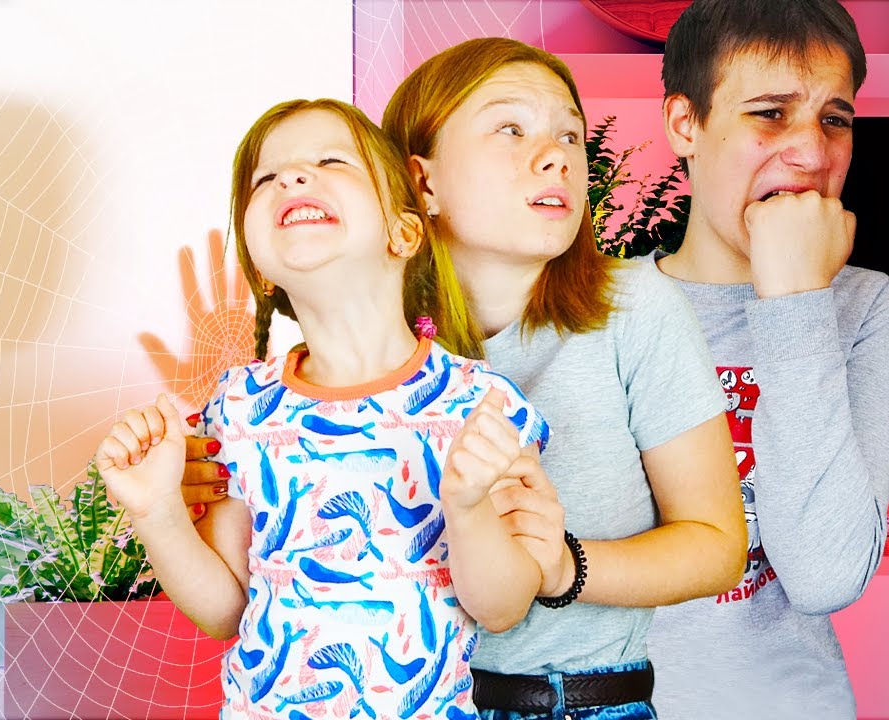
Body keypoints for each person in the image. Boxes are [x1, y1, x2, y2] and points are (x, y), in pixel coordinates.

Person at [185, 38, 748, 719]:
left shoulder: (635, 309)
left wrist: (563, 566)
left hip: (571, 703)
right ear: (421, 186)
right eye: (511, 128)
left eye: (570, 135)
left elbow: (718, 547)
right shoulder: (357, 337)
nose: (556, 156)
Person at [95, 98, 554, 720]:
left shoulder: (481, 403)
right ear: (260, 269)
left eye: (331, 161)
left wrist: (468, 509)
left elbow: (502, 608)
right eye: (266, 178)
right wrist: (157, 514)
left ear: (404, 233)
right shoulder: (238, 407)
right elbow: (226, 610)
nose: (291, 177)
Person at [645, 1, 889, 718]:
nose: (815, 154)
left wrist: (796, 297)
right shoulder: (601, 309)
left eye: (835, 119)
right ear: (685, 124)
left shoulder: (869, 309)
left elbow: (825, 577)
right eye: (770, 113)